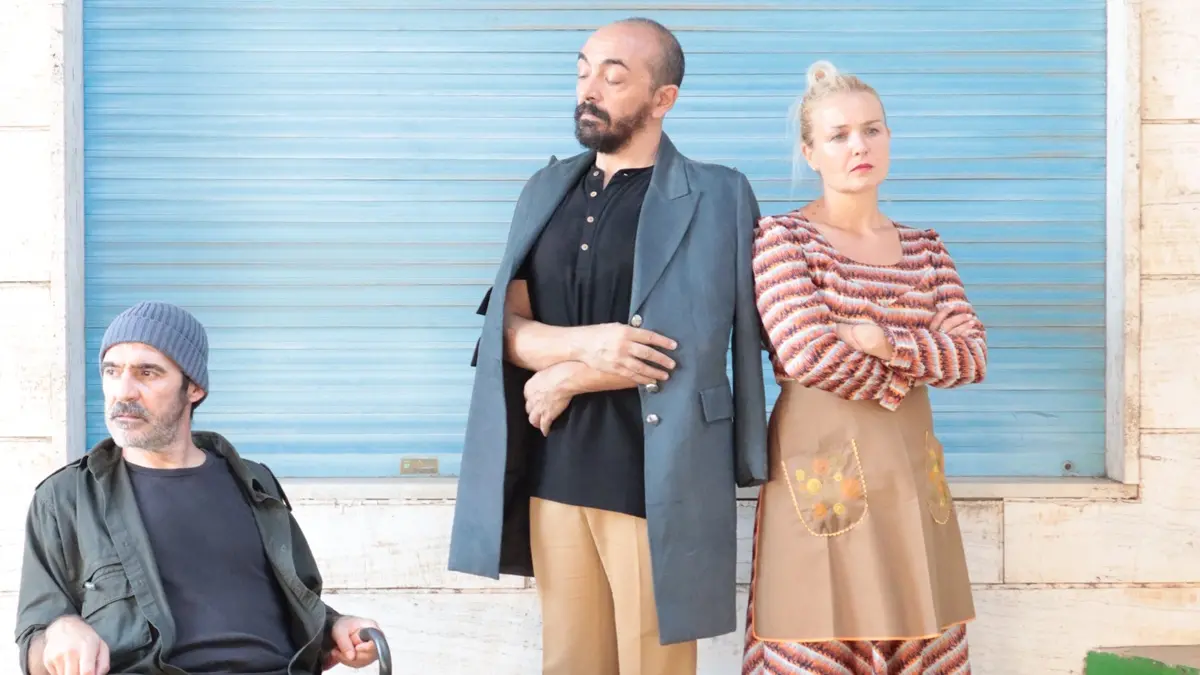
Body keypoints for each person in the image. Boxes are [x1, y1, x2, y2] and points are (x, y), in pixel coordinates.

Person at [448, 17, 768, 675]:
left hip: (661, 473)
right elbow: (506, 329)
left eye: (613, 77)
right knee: (569, 662)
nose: (588, 89)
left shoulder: (719, 194)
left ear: (663, 98)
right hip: (555, 470)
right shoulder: (545, 189)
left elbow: (696, 337)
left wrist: (566, 375)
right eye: (582, 71)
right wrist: (590, 347)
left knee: (656, 666)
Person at [742, 60, 986, 674]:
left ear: (889, 138)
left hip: (911, 477)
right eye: (839, 135)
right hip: (821, 475)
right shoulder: (783, 240)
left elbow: (972, 357)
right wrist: (920, 356)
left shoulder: (926, 248)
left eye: (872, 130)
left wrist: (881, 341)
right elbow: (808, 356)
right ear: (810, 153)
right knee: (813, 634)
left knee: (921, 637)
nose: (859, 146)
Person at [15, 302, 384, 675]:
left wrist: (336, 628)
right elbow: (34, 644)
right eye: (112, 371)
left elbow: (300, 602)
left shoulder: (253, 483)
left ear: (193, 388)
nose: (124, 391)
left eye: (147, 373)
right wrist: (60, 630)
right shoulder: (66, 498)